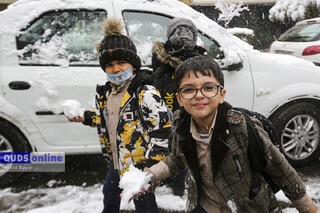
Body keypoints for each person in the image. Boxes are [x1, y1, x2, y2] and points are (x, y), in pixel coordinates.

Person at [142, 56, 317, 213]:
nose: (199, 95)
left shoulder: (240, 129)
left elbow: (281, 170)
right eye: (188, 89)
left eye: (208, 87)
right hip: (206, 205)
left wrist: (307, 207)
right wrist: (150, 175)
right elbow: (177, 159)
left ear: (221, 95)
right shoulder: (181, 127)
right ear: (179, 98)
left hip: (247, 208)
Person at [66, 18, 172, 213]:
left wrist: (151, 167)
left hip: (140, 166)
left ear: (133, 63)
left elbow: (163, 130)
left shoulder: (144, 93)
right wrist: (85, 117)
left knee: (144, 203)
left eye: (122, 62)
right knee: (110, 193)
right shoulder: (106, 93)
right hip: (117, 162)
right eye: (110, 64)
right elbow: (107, 121)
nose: (116, 69)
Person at [152, 17, 206, 196]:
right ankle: (172, 181)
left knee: (182, 146)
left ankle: (178, 185)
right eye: (178, 31)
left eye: (187, 31)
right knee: (174, 146)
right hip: (168, 107)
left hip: (183, 110)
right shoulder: (162, 56)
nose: (182, 36)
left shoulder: (197, 57)